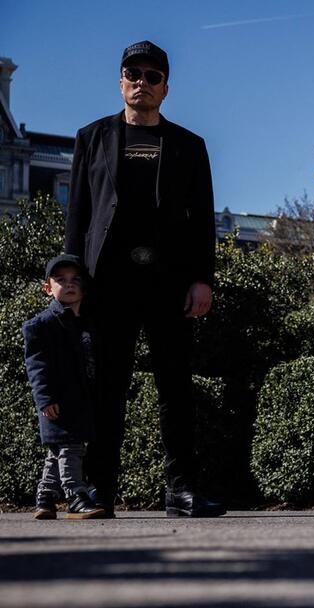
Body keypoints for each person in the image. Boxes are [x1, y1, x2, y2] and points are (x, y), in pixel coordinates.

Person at [65, 40, 224, 518]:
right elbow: (78, 214)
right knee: (106, 388)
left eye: (153, 76)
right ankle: (99, 490)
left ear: (165, 88)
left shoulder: (189, 145)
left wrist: (202, 278)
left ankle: (181, 490)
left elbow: (202, 220)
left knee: (176, 388)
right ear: (120, 83)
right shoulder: (91, 137)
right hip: (107, 282)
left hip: (169, 282)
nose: (142, 82)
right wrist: (69, 276)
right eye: (133, 74)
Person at [23, 255, 107, 520]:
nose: (69, 285)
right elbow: (37, 366)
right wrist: (45, 399)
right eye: (61, 280)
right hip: (57, 401)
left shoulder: (89, 322)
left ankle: (45, 498)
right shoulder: (41, 325)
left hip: (82, 400)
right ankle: (75, 496)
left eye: (75, 280)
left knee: (57, 451)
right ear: (48, 288)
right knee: (71, 449)